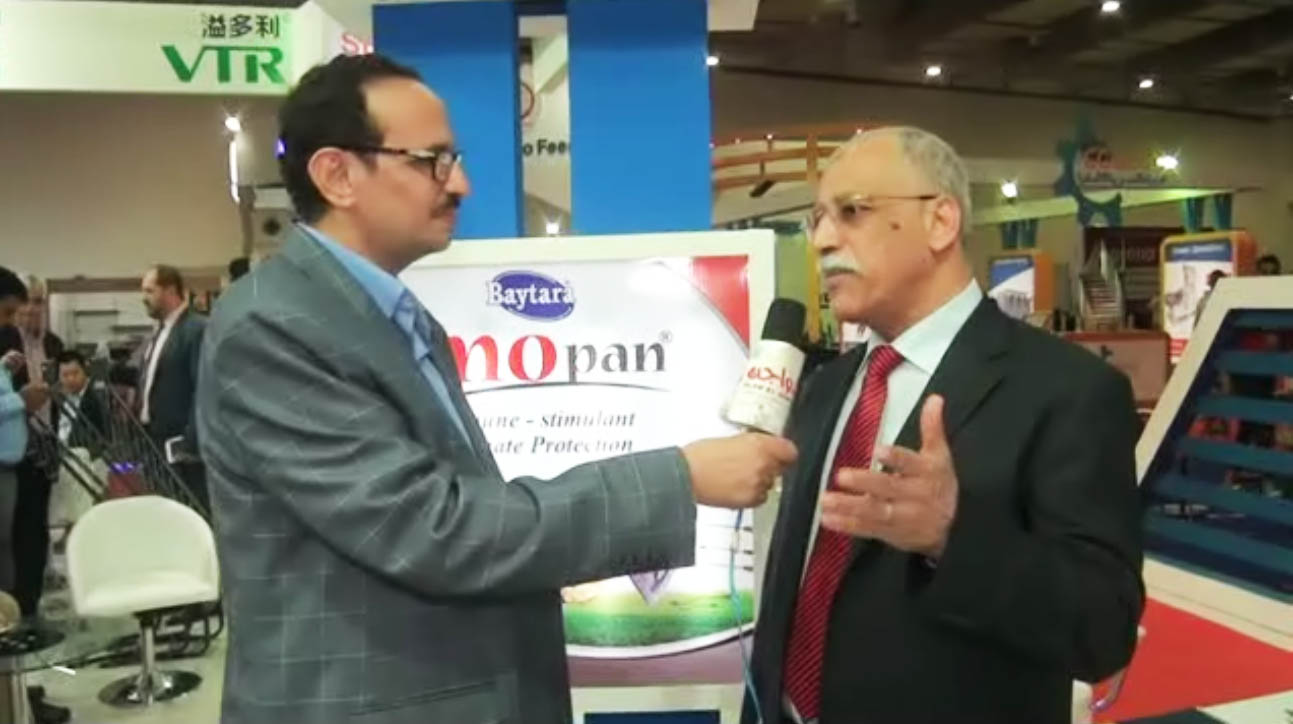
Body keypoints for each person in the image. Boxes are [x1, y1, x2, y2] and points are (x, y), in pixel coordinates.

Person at [197, 54, 797, 724]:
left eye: (454, 159)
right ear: (337, 174)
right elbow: (434, 530)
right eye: (431, 161)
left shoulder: (390, 317)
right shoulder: (274, 326)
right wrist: (678, 478)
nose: (460, 184)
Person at [741, 127, 1144, 724]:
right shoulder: (824, 386)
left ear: (940, 222)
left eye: (852, 212)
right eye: (817, 219)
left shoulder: (1070, 390)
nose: (823, 240)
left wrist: (953, 537)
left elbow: (1103, 629)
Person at [11, 276, 65, 619]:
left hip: (45, 444)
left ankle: (31, 602)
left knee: (37, 526)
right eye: (27, 301)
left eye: (39, 301)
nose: (33, 309)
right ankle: (15, 601)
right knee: (14, 529)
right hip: (13, 447)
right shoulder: (5, 343)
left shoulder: (55, 344)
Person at [131, 265, 207, 508]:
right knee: (163, 512)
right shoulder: (160, 332)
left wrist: (191, 442)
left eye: (149, 291)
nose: (144, 298)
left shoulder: (196, 329)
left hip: (181, 445)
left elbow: (204, 388)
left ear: (171, 290)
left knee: (188, 512)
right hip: (153, 441)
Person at [55, 351, 105, 451]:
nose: (71, 379)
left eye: (75, 373)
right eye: (65, 375)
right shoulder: (57, 398)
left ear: (85, 371)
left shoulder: (96, 398)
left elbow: (100, 437)